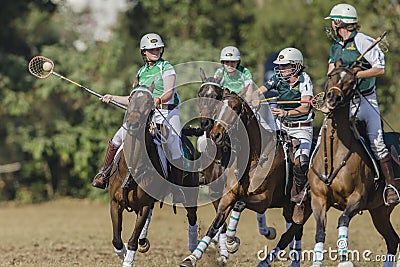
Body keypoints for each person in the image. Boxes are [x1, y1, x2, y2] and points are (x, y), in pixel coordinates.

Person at [91, 33, 185, 203]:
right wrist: (111, 97)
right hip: (146, 114)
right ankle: (103, 173)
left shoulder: (167, 67)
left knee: (173, 144)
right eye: (151, 49)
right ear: (144, 52)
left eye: (157, 48)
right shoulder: (141, 72)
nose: (155, 51)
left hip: (167, 112)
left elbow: (169, 92)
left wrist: (157, 100)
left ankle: (177, 188)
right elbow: (133, 100)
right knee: (118, 137)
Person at [325, 3, 400, 205]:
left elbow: (379, 69)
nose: (332, 24)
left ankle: (391, 186)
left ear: (340, 22)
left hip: (366, 99)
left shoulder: (362, 41)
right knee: (328, 133)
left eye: (333, 20)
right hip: (344, 102)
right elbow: (331, 72)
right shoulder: (336, 46)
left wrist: (355, 74)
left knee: (376, 141)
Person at [252, 47, 314, 222]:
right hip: (281, 126)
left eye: (285, 66)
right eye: (281, 66)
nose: (282, 69)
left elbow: (305, 107)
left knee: (301, 162)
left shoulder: (304, 80)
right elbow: (262, 89)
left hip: (301, 127)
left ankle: (300, 198)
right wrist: (256, 96)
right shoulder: (278, 77)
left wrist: (286, 113)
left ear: (296, 66)